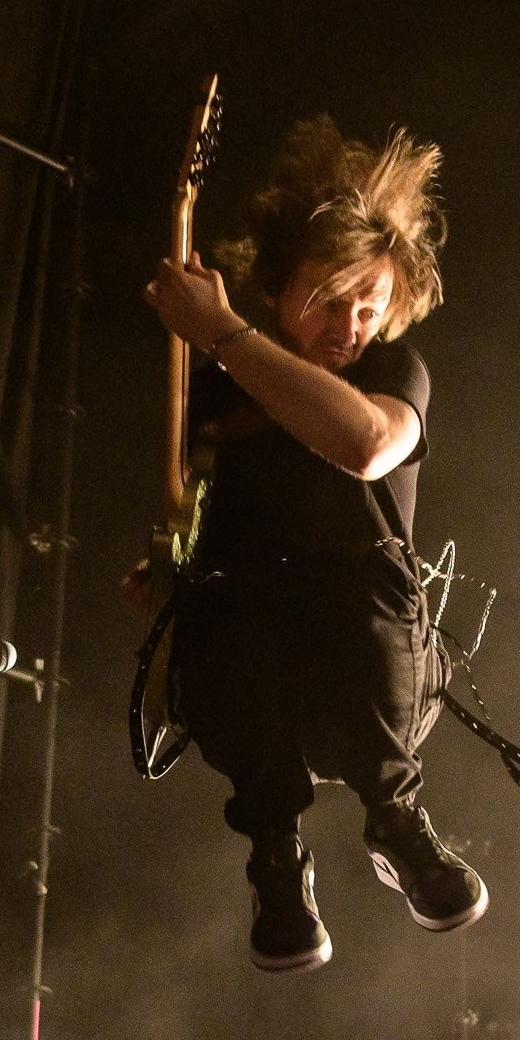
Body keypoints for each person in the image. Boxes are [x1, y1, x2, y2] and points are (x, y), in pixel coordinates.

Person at [140, 115, 487, 972]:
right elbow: (191, 518)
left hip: (366, 673)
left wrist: (221, 332)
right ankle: (274, 853)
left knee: (357, 571)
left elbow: (366, 444)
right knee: (227, 598)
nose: (352, 322)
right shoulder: (215, 393)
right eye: (331, 298)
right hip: (258, 676)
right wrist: (166, 574)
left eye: (370, 303)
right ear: (275, 286)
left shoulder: (393, 376)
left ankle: (397, 819)